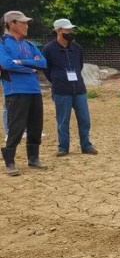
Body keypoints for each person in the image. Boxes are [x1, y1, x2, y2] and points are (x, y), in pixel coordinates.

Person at [0, 11, 47, 176]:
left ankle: (33, 158)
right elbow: (6, 64)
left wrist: (20, 62)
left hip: (34, 90)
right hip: (15, 91)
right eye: (23, 23)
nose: (26, 26)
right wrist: (30, 67)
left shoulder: (30, 45)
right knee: (16, 126)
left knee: (36, 125)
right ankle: (10, 161)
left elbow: (42, 62)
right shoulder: (2, 44)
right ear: (12, 24)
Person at [42, 18, 98, 156]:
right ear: (58, 31)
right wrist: (56, 79)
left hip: (79, 89)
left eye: (71, 29)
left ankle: (86, 145)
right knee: (63, 120)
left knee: (84, 119)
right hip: (61, 90)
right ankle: (63, 147)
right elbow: (46, 68)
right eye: (68, 30)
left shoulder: (76, 47)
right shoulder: (49, 49)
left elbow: (79, 65)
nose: (71, 32)